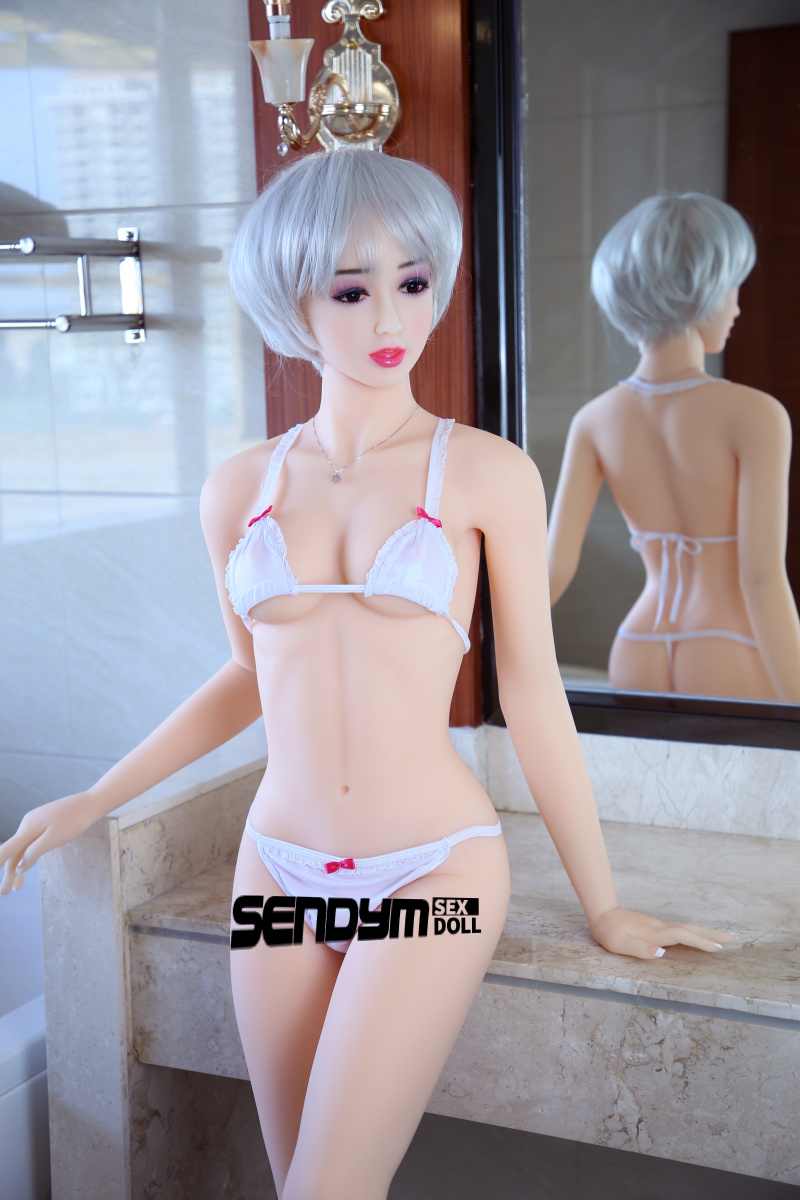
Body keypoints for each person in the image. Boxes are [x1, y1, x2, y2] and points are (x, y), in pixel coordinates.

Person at [0, 155, 735, 1200]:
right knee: (298, 1179)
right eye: (351, 290)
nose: (392, 316)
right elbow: (247, 674)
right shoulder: (237, 487)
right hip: (277, 867)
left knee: (326, 1188)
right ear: (292, 301)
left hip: (433, 870)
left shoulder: (485, 471)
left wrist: (603, 905)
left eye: (414, 280)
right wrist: (97, 797)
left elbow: (532, 696)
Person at [548, 192, 800, 700]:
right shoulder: (755, 414)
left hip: (637, 644)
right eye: (732, 286)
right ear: (701, 289)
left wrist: (479, 660)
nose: (737, 305)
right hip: (729, 646)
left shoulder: (593, 419)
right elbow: (760, 577)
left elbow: (552, 572)